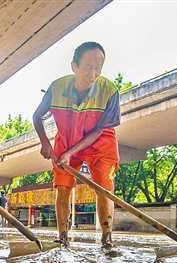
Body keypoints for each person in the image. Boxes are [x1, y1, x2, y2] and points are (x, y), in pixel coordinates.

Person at [32, 41, 120, 248]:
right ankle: (62, 237)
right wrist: (45, 143)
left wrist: (71, 152)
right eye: (89, 66)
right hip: (67, 138)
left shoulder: (110, 90)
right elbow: (37, 116)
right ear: (74, 66)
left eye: (99, 67)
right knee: (62, 187)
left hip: (100, 142)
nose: (94, 73)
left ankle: (107, 239)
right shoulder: (57, 88)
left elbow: (99, 131)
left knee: (104, 189)